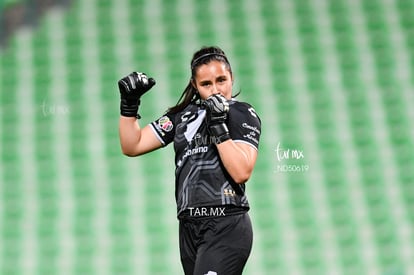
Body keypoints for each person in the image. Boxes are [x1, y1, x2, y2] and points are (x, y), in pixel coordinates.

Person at [117, 46, 261, 275]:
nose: (215, 90)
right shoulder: (182, 116)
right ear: (195, 85)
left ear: (231, 77)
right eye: (206, 84)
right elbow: (132, 145)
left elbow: (242, 171)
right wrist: (129, 105)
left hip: (225, 224)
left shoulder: (242, 112)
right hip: (189, 229)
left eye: (222, 80)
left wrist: (219, 127)